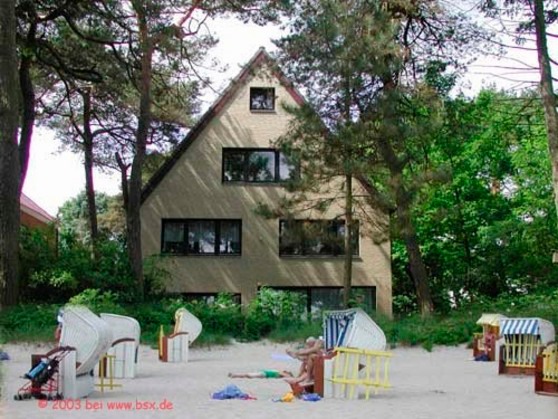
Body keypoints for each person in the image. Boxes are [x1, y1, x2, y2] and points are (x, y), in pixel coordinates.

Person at [228, 369, 293, 379]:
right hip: (264, 373)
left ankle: (234, 375)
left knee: (248, 375)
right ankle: (234, 375)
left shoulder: (281, 373)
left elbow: (288, 376)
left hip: (264, 374)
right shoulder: (279, 372)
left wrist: (289, 375)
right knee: (248, 375)